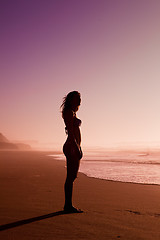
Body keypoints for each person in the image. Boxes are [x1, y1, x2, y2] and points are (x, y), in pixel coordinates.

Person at [61, 91, 83, 213]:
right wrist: (76, 147)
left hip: (74, 146)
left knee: (72, 176)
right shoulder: (68, 112)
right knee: (70, 177)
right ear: (70, 99)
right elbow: (70, 132)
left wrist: (79, 146)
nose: (79, 100)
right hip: (71, 146)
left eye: (79, 98)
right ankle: (67, 206)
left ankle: (68, 205)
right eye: (76, 98)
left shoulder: (72, 112)